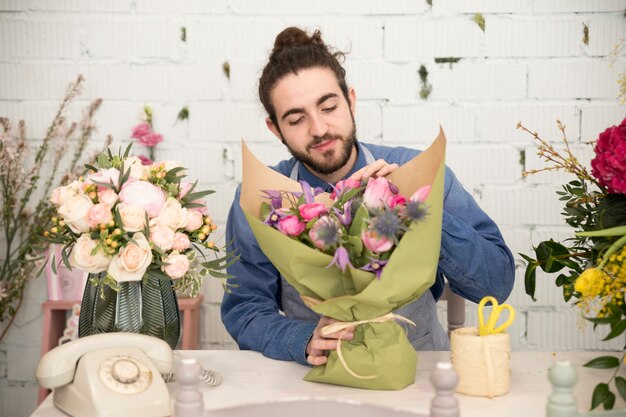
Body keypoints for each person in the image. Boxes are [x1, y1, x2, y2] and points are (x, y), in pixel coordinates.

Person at [221, 27, 515, 367]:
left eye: (329, 107)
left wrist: (416, 205)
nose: (318, 129)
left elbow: (496, 284)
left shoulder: (420, 172)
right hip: (317, 377)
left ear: (351, 101)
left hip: (420, 368)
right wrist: (302, 341)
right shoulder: (262, 197)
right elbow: (245, 309)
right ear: (275, 129)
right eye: (297, 119)